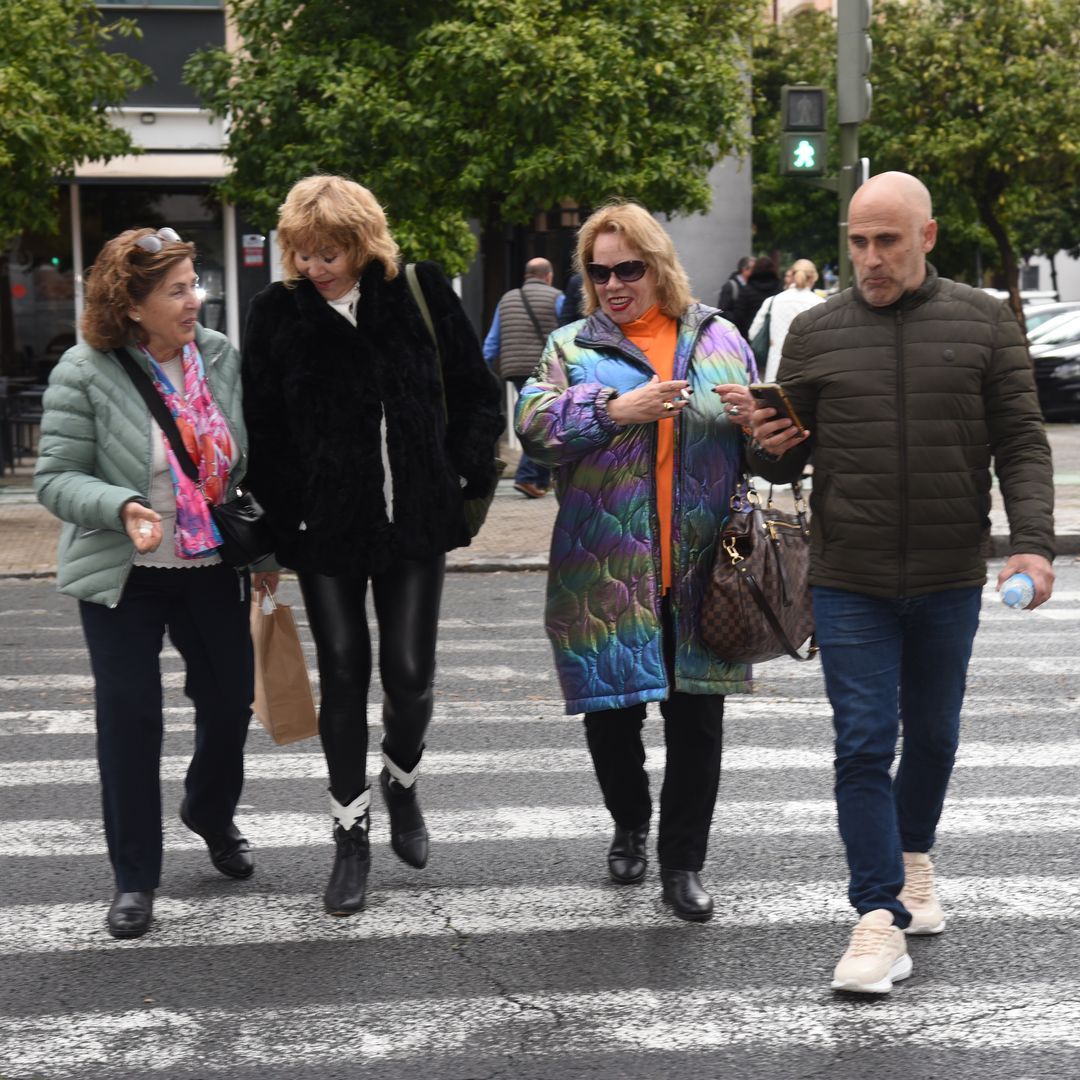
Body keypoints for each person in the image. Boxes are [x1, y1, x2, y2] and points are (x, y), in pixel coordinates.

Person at [732, 171, 1055, 993]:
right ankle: (877, 917)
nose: (870, 258)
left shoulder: (985, 321)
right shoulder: (815, 332)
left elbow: (1021, 441)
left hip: (950, 571)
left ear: (928, 237)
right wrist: (762, 440)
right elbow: (784, 456)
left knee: (936, 737)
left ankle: (913, 859)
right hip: (850, 574)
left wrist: (1033, 545)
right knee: (865, 740)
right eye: (858, 241)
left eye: (888, 241)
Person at [242, 175, 503, 916]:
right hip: (323, 529)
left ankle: (403, 779)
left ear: (362, 243)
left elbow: (477, 392)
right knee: (346, 673)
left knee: (411, 673)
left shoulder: (417, 290)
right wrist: (277, 523)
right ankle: (350, 837)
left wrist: (464, 468)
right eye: (303, 252)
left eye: (330, 252)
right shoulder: (277, 313)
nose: (316, 266)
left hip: (416, 517)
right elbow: (262, 426)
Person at [515, 201, 758, 922]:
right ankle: (629, 821)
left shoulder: (720, 340)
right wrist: (617, 411)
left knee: (698, 724)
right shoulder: (570, 347)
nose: (614, 283)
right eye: (600, 271)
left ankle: (682, 864)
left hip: (707, 563)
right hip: (605, 567)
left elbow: (772, 449)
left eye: (628, 268)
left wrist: (764, 424)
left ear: (657, 265)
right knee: (611, 719)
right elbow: (531, 427)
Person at [34, 227, 258, 940]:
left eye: (196, 284)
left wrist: (271, 541)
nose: (198, 299)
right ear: (132, 306)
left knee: (230, 702)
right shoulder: (84, 370)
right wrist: (119, 506)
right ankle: (134, 878)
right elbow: (54, 478)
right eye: (179, 289)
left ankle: (209, 811)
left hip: (209, 564)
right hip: (122, 571)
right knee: (130, 721)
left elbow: (251, 456)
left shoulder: (219, 356)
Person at [483, 257, 564, 498]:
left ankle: (539, 480)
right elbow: (567, 330)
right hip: (544, 369)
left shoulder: (506, 300)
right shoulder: (557, 297)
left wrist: (484, 366)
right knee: (544, 421)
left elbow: (492, 340)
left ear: (527, 275)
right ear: (548, 276)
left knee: (538, 418)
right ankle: (528, 476)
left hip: (515, 369)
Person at [747, 258, 825, 382]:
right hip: (808, 375)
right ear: (814, 278)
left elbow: (752, 333)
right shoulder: (820, 304)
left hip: (774, 371)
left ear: (792, 275)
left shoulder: (772, 301)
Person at [730, 256, 782, 339]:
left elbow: (739, 316)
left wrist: (745, 337)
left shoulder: (747, 290)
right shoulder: (779, 290)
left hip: (751, 338)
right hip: (774, 337)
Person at [716, 255, 753, 322]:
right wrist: (738, 321)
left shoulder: (752, 285)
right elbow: (723, 310)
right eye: (753, 269)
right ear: (744, 269)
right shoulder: (731, 286)